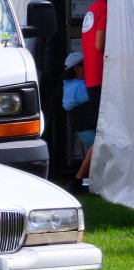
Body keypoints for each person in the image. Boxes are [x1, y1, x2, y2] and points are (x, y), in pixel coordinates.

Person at [69, 0, 107, 194]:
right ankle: (78, 180)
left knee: (104, 133)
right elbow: (100, 44)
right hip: (103, 79)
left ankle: (83, 180)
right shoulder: (105, 8)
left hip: (93, 79)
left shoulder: (92, 9)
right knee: (105, 134)